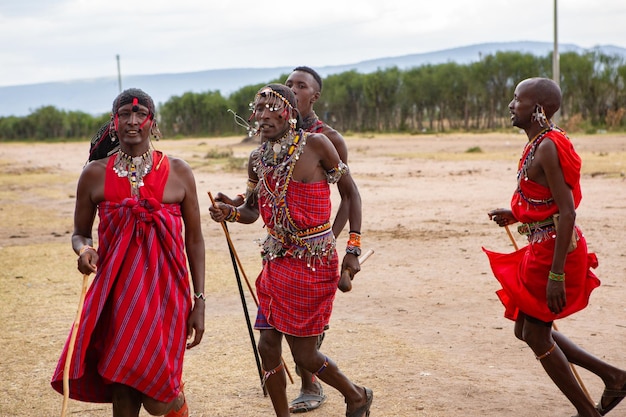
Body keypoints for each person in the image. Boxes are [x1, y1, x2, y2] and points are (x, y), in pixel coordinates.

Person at [209, 84, 372, 417]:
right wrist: (231, 213)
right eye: (259, 109)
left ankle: (356, 395)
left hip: (314, 263)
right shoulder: (257, 159)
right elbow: (252, 211)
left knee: (306, 357)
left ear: (291, 112)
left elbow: (351, 194)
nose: (264, 115)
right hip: (275, 261)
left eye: (273, 108)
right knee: (267, 346)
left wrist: (352, 248)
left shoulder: (317, 145)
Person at [51, 88, 206, 417]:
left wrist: (200, 300)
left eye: (140, 115)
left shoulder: (179, 172)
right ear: (114, 121)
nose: (132, 122)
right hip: (117, 296)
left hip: (168, 296)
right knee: (122, 387)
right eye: (124, 115)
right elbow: (79, 234)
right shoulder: (94, 174)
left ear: (152, 121)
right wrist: (84, 250)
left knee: (159, 396)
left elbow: (194, 239)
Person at [483, 77, 626, 417]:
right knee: (526, 330)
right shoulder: (539, 142)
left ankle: (588, 411)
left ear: (536, 109)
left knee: (535, 334)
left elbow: (566, 211)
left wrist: (557, 275)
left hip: (554, 253)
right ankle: (614, 377)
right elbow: (545, 200)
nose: (510, 105)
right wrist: (516, 214)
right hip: (543, 246)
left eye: (516, 99)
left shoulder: (548, 145)